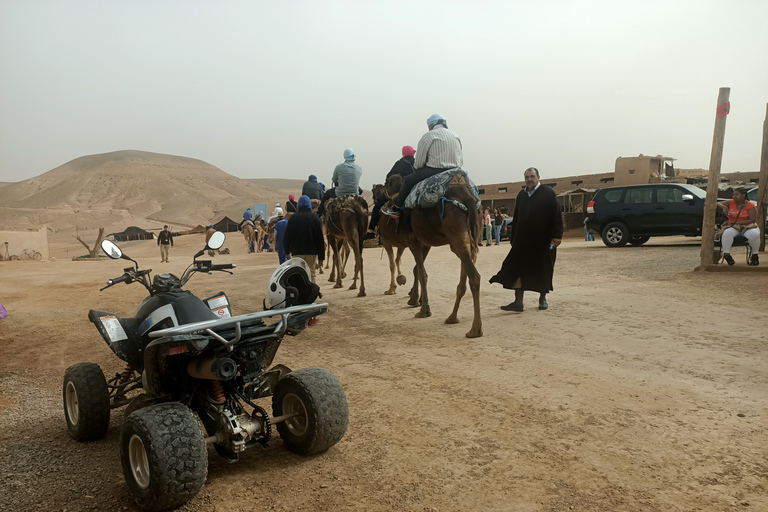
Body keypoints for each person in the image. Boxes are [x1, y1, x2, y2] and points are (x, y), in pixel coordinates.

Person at [489, 167, 563, 311]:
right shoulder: (521, 196)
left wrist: (557, 236)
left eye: (532, 176)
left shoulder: (548, 193)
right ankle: (518, 303)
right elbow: (516, 218)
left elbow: (556, 215)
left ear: (538, 177)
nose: (529, 179)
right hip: (523, 241)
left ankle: (542, 299)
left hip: (543, 240)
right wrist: (513, 238)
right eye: (527, 177)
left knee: (543, 268)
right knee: (518, 268)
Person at [383, 114, 463, 218]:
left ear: (431, 126)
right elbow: (460, 160)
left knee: (408, 181)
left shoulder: (429, 136)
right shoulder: (455, 135)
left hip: (434, 170)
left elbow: (419, 163)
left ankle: (396, 208)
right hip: (456, 171)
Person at [364, 145, 416, 239]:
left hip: (397, 192)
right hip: (414, 190)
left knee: (378, 206)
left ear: (403, 154)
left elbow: (388, 177)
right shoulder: (417, 163)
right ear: (413, 153)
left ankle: (371, 230)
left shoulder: (399, 163)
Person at [284, 195, 326, 284]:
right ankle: (312, 296)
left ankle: (301, 296)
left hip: (297, 253)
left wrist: (287, 251)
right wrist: (321, 257)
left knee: (299, 275)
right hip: (312, 253)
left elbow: (287, 236)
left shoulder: (293, 218)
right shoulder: (315, 218)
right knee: (311, 274)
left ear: (298, 205)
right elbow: (320, 239)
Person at [717, 187, 760, 266]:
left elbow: (752, 220)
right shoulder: (731, 202)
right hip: (734, 227)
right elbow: (715, 203)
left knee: (754, 234)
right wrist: (723, 207)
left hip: (747, 226)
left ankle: (755, 256)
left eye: (736, 194)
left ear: (743, 195)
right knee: (726, 233)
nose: (734, 196)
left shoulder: (751, 205)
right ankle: (727, 255)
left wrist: (735, 222)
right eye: (733, 194)